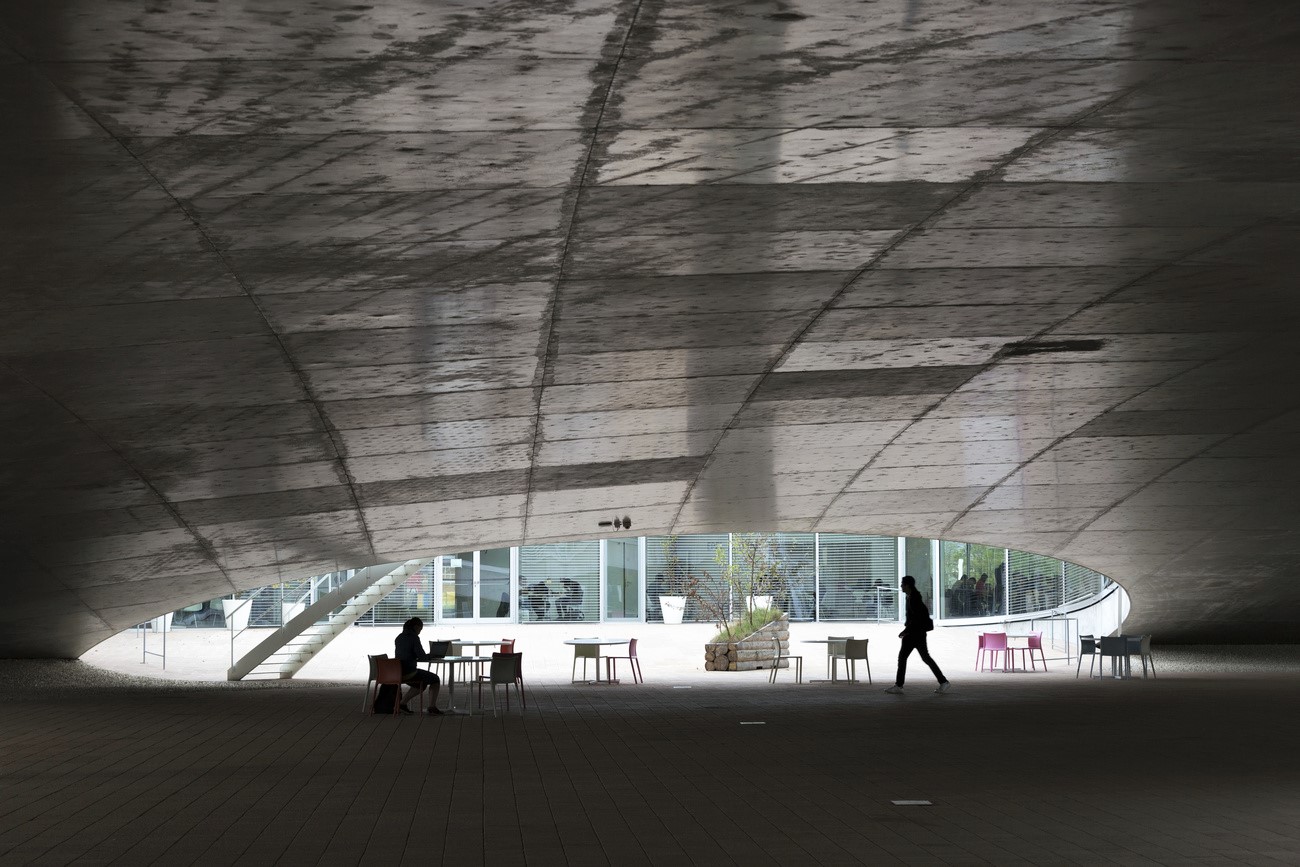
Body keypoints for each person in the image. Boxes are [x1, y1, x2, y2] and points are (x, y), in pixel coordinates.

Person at [885, 576, 950, 694]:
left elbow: (915, 618)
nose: (901, 586)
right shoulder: (912, 597)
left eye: (902, 584)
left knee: (903, 658)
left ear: (907, 585)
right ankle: (943, 682)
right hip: (918, 633)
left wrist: (906, 631)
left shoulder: (914, 598)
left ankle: (899, 685)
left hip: (913, 633)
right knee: (925, 658)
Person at [394, 617, 444, 715]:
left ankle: (402, 704)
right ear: (416, 627)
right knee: (435, 679)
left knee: (421, 684)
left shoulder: (399, 637)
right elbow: (421, 656)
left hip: (398, 671)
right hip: (409, 671)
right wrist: (430, 656)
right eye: (420, 629)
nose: (420, 632)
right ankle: (432, 707)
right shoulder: (414, 637)